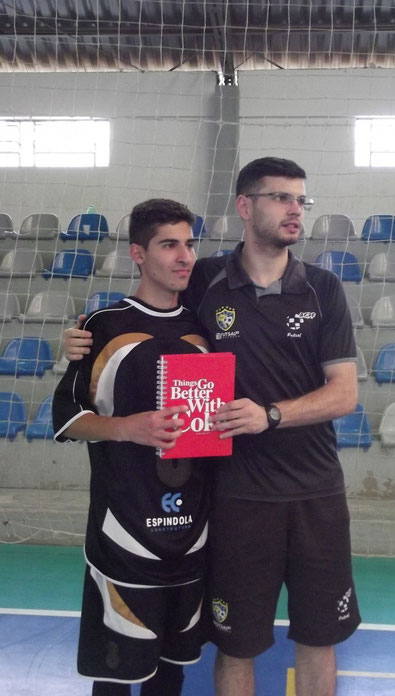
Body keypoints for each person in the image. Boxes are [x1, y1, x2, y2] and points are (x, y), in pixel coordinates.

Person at [64, 157, 361, 696]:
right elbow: (145, 309)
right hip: (236, 498)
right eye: (281, 198)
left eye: (301, 200)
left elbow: (345, 393)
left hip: (317, 491)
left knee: (320, 638)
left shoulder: (323, 288)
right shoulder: (204, 280)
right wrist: (82, 338)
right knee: (236, 643)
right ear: (246, 207)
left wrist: (269, 415)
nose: (295, 210)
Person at [53, 198, 211, 696]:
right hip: (123, 537)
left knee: (171, 675)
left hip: (191, 536)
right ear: (138, 254)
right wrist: (129, 428)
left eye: (189, 244)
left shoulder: (205, 330)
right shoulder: (101, 328)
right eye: (169, 245)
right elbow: (68, 419)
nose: (184, 256)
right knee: (117, 677)